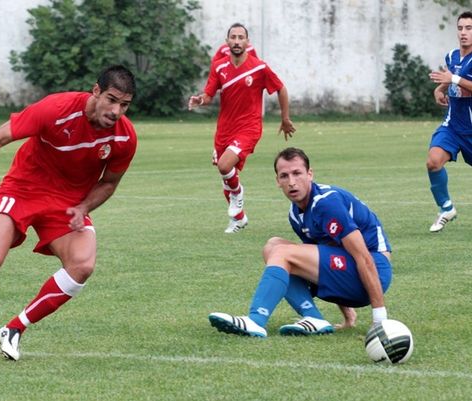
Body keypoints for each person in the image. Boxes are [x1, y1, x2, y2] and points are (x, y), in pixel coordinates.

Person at [0, 65, 138, 361]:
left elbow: (109, 183)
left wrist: (83, 207)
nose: (117, 111)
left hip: (66, 203)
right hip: (23, 189)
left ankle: (14, 329)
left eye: (125, 105)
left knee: (82, 266)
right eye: (111, 99)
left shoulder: (124, 138)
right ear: (96, 91)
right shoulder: (56, 108)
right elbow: (0, 136)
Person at [208, 147, 393, 337]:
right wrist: (347, 315)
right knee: (273, 246)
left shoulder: (327, 203)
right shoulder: (295, 214)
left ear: (310, 174)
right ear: (277, 181)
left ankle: (256, 320)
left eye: (297, 173)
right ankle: (314, 317)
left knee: (282, 252)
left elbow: (363, 257)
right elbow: (324, 254)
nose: (292, 182)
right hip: (347, 273)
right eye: (284, 176)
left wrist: (380, 320)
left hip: (375, 271)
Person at [188, 23, 296, 233]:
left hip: (249, 127)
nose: (237, 41)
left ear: (247, 42)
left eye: (241, 37)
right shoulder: (219, 67)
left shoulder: (259, 68)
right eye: (233, 37)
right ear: (227, 42)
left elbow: (281, 88)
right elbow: (209, 95)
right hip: (224, 129)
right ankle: (238, 218)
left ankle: (238, 195)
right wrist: (200, 100)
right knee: (227, 176)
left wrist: (285, 118)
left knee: (224, 166)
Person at [427, 11, 472, 232]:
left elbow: (456, 79)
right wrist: (439, 89)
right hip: (452, 126)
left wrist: (452, 79)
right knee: (433, 162)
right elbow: (449, 79)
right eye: (461, 28)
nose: (463, 33)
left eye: (469, 28)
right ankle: (446, 208)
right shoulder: (452, 55)